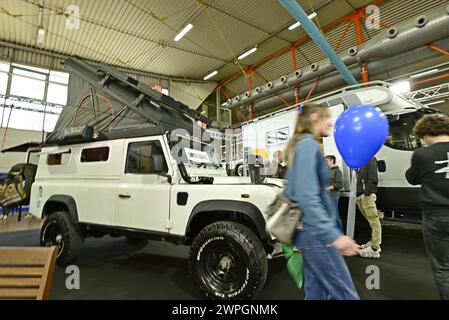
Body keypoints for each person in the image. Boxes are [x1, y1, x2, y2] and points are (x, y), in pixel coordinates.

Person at [284, 103, 360, 300]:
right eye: (327, 118)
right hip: (316, 233)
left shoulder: (300, 145)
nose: (331, 123)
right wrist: (334, 236)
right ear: (315, 117)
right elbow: (307, 195)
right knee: (345, 294)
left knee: (315, 292)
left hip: (308, 232)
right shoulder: (308, 144)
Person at [405, 114, 449, 300]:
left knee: (444, 269)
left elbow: (412, 178)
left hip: (436, 215)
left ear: (425, 133)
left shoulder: (422, 154)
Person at [356, 157, 382, 259]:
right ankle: (373, 242)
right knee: (371, 221)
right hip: (362, 196)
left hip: (367, 195)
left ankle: (375, 248)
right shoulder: (362, 161)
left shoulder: (370, 159)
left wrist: (367, 194)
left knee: (374, 221)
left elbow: (373, 178)